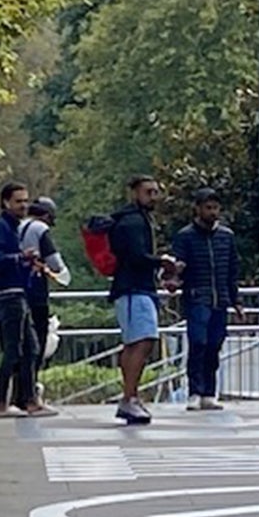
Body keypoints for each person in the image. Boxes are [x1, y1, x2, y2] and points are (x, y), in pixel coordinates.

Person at [0, 182, 51, 418]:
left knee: (30, 347)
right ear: (6, 203)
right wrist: (20, 258)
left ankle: (27, 400)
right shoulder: (0, 229)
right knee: (13, 349)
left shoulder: (13, 228)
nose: (23, 205)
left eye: (25, 201)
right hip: (7, 295)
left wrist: (26, 262)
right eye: (18, 201)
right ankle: (2, 403)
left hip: (17, 293)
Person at [109, 174, 179, 424]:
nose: (153, 197)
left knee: (136, 342)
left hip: (139, 287)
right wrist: (162, 261)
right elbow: (136, 256)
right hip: (132, 290)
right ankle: (129, 397)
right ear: (135, 193)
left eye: (156, 191)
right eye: (148, 192)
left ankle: (130, 396)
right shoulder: (132, 223)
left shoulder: (139, 220)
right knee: (142, 341)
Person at [170, 188, 244, 411]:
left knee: (214, 344)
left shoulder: (226, 237)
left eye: (215, 208)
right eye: (208, 207)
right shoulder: (185, 236)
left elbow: (232, 270)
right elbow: (177, 266)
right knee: (198, 342)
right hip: (196, 297)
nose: (212, 212)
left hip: (220, 299)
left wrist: (236, 300)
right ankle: (195, 391)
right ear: (198, 208)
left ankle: (209, 392)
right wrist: (174, 278)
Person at [17, 196, 71, 408]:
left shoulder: (16, 226)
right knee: (36, 344)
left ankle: (18, 394)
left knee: (18, 345)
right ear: (47, 215)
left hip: (15, 291)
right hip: (35, 292)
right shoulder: (40, 229)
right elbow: (55, 263)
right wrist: (57, 273)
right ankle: (30, 395)